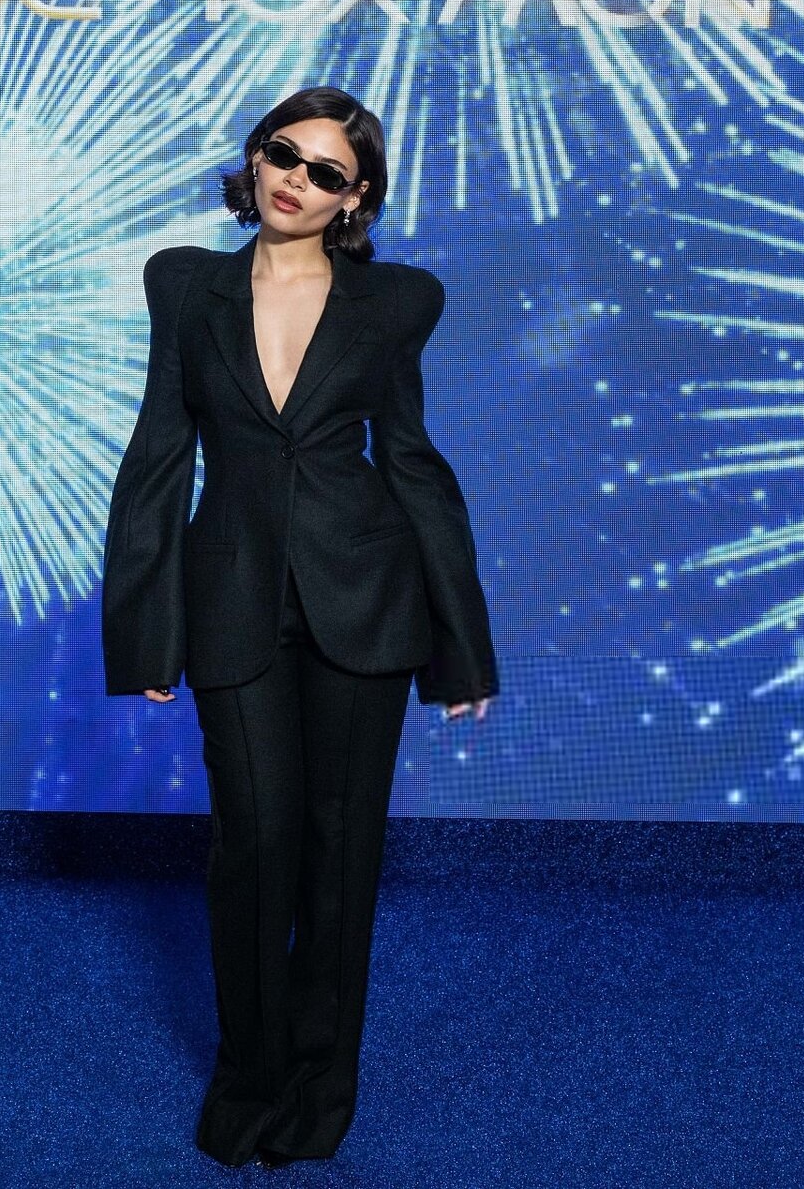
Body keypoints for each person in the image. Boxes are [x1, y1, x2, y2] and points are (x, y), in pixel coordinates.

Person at [100, 85, 499, 1169]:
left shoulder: (399, 300)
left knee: (340, 849)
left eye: (328, 172)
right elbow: (157, 455)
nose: (296, 180)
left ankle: (321, 1094)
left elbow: (411, 462)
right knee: (255, 842)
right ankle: (250, 1078)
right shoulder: (183, 282)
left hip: (366, 597)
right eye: (284, 153)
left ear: (354, 198)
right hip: (229, 598)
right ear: (257, 157)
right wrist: (147, 629)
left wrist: (462, 645)